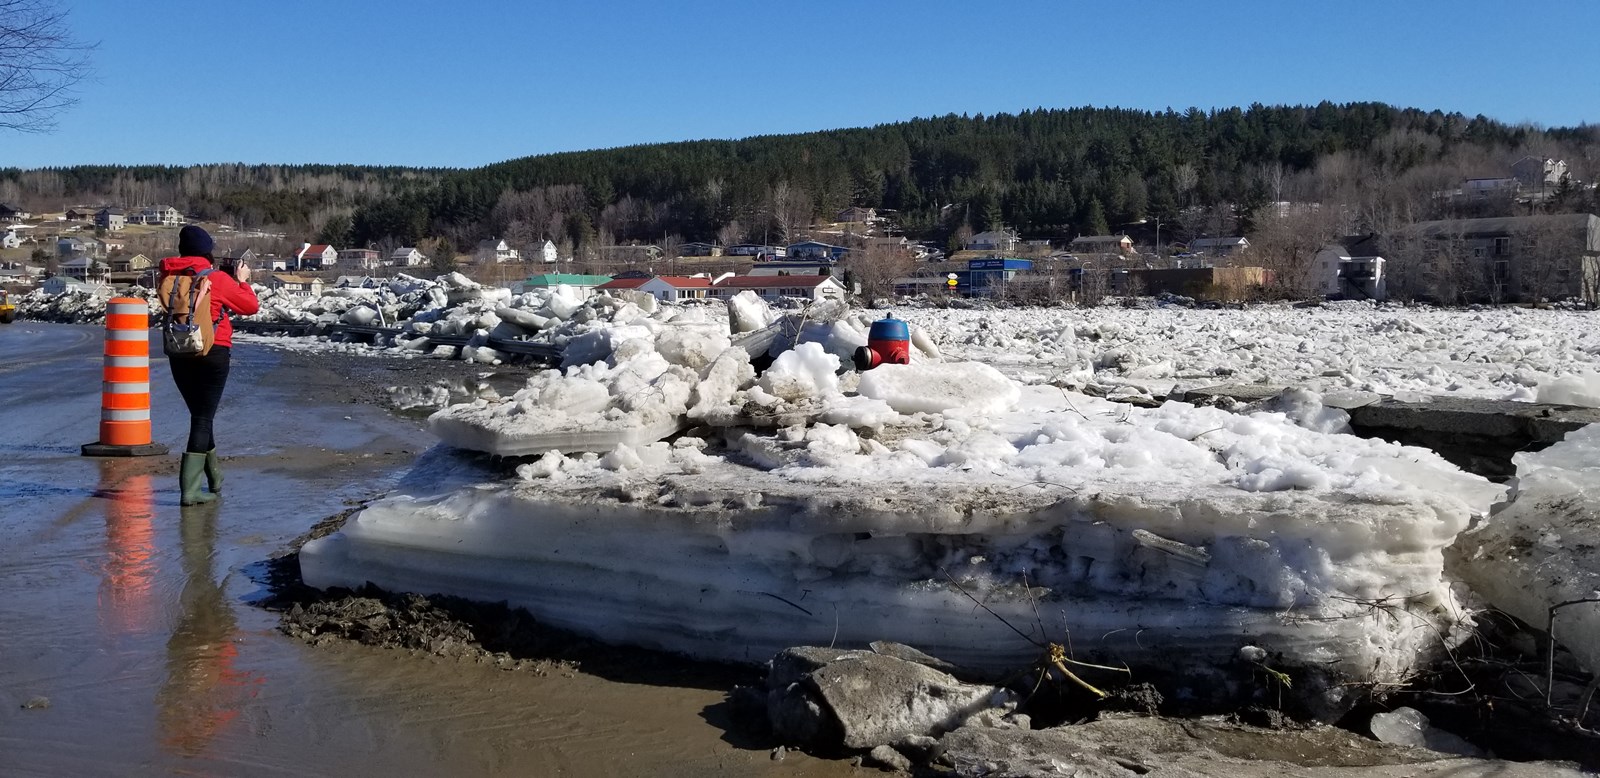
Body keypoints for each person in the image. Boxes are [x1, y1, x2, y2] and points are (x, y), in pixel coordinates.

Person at [159, 225, 259, 505]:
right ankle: (189, 492)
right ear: (207, 251)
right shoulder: (215, 278)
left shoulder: (167, 277)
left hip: (179, 350)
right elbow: (250, 306)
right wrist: (241, 281)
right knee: (203, 419)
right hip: (213, 352)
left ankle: (215, 478)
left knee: (201, 415)